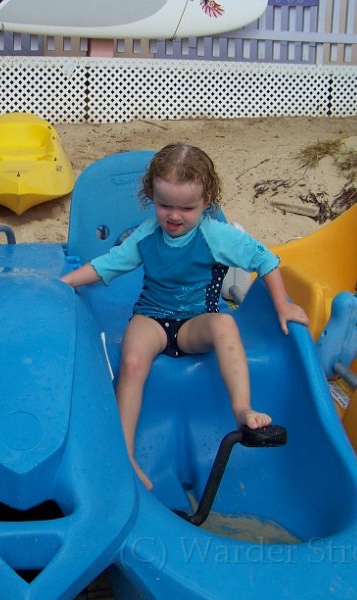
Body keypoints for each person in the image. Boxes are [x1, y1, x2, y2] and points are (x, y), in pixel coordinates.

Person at [60, 143, 309, 490]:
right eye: (165, 205)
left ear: (207, 201)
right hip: (152, 317)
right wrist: (64, 283)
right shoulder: (147, 236)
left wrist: (282, 306)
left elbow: (265, 259)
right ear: (151, 195)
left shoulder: (215, 236)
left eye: (187, 208)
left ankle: (242, 409)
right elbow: (108, 265)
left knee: (225, 323)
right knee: (132, 360)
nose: (174, 216)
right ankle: (124, 455)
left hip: (195, 324)